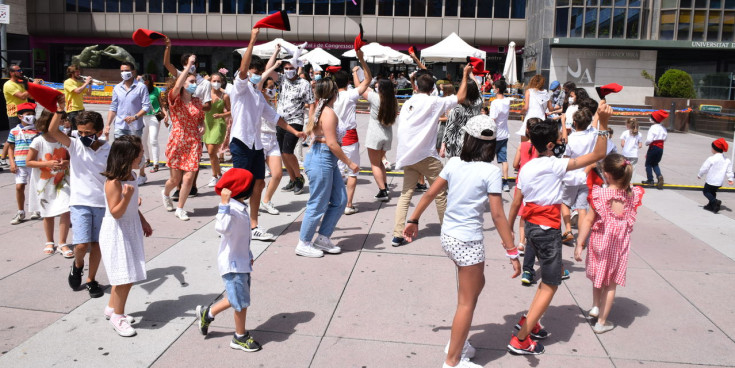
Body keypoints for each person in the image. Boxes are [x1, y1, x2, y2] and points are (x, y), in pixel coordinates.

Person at [403, 115, 520, 368]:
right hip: (468, 242)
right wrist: (512, 251)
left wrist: (413, 220)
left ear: (467, 139)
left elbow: (431, 193)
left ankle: (458, 339)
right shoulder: (491, 171)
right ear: (491, 145)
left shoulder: (454, 162)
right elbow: (498, 215)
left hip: (450, 238)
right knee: (467, 302)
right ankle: (453, 360)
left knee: (475, 288)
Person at [506, 102, 612, 355]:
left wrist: (509, 231)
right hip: (547, 229)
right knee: (551, 283)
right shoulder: (554, 165)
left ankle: (529, 320)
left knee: (545, 283)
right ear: (551, 145)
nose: (563, 139)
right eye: (559, 137)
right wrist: (604, 125)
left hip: (532, 227)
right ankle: (521, 340)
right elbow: (597, 156)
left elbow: (517, 201)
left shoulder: (528, 166)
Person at [229, 28, 306, 241]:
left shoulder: (257, 95)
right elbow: (244, 69)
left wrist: (295, 131)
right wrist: (252, 39)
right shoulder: (240, 89)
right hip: (241, 143)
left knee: (259, 184)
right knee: (241, 186)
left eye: (258, 72)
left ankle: (253, 225)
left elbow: (276, 118)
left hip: (256, 145)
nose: (255, 75)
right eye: (253, 72)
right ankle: (233, 222)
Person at [390, 64, 472, 247]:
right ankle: (447, 231)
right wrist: (465, 74)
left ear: (416, 87)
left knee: (405, 194)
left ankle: (397, 234)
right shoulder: (434, 102)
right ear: (433, 89)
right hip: (426, 156)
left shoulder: (408, 103)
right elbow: (461, 97)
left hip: (407, 156)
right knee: (440, 193)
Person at [573, 154, 644, 334]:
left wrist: (580, 243)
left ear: (606, 174)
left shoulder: (600, 194)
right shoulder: (632, 195)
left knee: (598, 276)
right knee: (611, 284)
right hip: (618, 246)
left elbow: (588, 220)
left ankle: (596, 307)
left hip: (599, 242)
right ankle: (602, 322)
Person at [195, 168, 262, 352]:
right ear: (243, 190)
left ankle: (207, 313)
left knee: (237, 298)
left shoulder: (239, 207)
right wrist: (223, 204)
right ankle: (239, 337)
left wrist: (248, 255)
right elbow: (222, 228)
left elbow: (242, 237)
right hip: (232, 265)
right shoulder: (230, 209)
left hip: (241, 261)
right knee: (241, 302)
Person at [48, 105, 110, 299]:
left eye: (88, 132)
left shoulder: (108, 148)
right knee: (81, 245)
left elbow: (115, 174)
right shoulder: (75, 144)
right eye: (80, 132)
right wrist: (59, 112)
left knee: (97, 244)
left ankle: (91, 279)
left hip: (102, 203)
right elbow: (52, 131)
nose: (83, 136)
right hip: (80, 202)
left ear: (99, 132)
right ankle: (77, 265)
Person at [295, 78, 359, 258]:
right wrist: (349, 162)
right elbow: (331, 143)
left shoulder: (320, 109)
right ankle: (304, 242)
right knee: (318, 203)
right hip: (322, 157)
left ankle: (322, 238)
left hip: (324, 158)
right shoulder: (328, 112)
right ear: (334, 93)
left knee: (339, 200)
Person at [99, 135, 153, 337]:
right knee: (125, 276)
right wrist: (128, 196)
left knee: (125, 273)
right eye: (139, 152)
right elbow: (115, 212)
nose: (142, 155)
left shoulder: (131, 175)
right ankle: (118, 316)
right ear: (129, 155)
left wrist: (143, 220)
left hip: (129, 228)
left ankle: (112, 307)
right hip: (116, 231)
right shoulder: (113, 182)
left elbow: (130, 209)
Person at [161, 55, 206, 221]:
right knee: (175, 179)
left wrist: (202, 125)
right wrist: (188, 66)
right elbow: (177, 84)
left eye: (195, 82)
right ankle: (165, 193)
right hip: (178, 140)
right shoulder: (175, 99)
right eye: (191, 82)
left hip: (193, 141)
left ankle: (180, 208)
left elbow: (200, 118)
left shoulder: (197, 102)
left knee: (189, 176)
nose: (194, 85)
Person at [267, 48, 315, 196]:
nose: (288, 70)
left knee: (288, 151)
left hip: (295, 120)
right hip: (280, 121)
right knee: (282, 153)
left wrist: (310, 124)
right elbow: (268, 70)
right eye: (286, 68)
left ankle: (299, 178)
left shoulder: (304, 84)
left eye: (291, 68)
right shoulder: (282, 79)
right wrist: (275, 53)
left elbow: (312, 103)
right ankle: (293, 179)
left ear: (297, 67)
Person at [25, 110, 72, 257]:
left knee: (66, 208)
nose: (63, 122)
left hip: (62, 180)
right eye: (60, 119)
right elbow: (29, 161)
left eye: (63, 119)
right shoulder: (38, 141)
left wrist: (66, 162)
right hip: (44, 182)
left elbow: (72, 157)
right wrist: (47, 163)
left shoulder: (64, 139)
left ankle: (62, 242)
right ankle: (49, 241)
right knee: (48, 212)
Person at [333, 52, 371, 215]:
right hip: (349, 138)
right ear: (347, 82)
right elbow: (367, 81)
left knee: (337, 173)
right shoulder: (350, 95)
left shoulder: (330, 96)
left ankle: (336, 202)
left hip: (334, 139)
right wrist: (361, 61)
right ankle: (348, 204)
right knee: (352, 172)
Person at [104, 61, 151, 185]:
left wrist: (135, 117)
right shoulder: (117, 88)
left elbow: (146, 106)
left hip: (135, 126)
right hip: (120, 125)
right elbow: (113, 107)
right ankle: (122, 174)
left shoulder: (141, 87)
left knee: (136, 151)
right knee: (119, 150)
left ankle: (141, 174)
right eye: (122, 71)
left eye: (127, 70)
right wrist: (108, 124)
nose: (124, 73)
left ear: (133, 72)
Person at [560, 108, 597, 245]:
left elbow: (566, 158)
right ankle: (582, 238)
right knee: (582, 208)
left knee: (565, 203)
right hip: (585, 176)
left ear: (574, 123)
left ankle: (568, 230)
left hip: (571, 176)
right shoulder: (592, 137)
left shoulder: (571, 139)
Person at [512, 118, 542, 285]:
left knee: (521, 213)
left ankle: (521, 242)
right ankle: (526, 242)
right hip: (535, 182)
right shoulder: (540, 148)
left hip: (521, 181)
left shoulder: (522, 146)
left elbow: (516, 163)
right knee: (530, 212)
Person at [362, 77, 398, 202]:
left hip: (375, 135)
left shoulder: (375, 97)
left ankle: (382, 191)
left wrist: (356, 73)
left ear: (380, 88)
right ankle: (385, 186)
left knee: (374, 164)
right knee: (381, 162)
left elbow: (360, 88)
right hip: (387, 135)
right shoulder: (393, 100)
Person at [8, 102, 41, 225]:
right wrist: (12, 162)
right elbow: (11, 147)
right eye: (28, 114)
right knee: (19, 187)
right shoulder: (14, 131)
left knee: (36, 187)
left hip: (34, 164)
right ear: (20, 116)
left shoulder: (38, 130)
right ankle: (21, 211)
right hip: (20, 165)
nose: (31, 117)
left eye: (33, 114)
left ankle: (36, 209)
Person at [259, 73, 283, 215]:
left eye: (274, 87)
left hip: (272, 139)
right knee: (257, 178)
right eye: (270, 87)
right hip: (259, 139)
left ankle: (266, 200)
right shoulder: (257, 101)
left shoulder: (273, 103)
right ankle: (248, 201)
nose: (272, 90)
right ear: (262, 89)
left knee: (277, 174)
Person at [441, 78, 482, 158]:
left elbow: (449, 128)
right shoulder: (478, 104)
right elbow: (478, 90)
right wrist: (470, 74)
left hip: (458, 146)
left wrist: (443, 145)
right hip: (474, 142)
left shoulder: (456, 109)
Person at [203, 72, 231, 187]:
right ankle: (219, 174)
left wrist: (221, 115)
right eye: (214, 81)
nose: (216, 83)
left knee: (211, 152)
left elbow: (231, 111)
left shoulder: (225, 96)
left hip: (218, 125)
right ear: (210, 82)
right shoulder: (206, 94)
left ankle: (214, 176)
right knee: (212, 154)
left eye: (219, 81)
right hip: (206, 124)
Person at [2, 64, 30, 170]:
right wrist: (31, 89)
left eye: (21, 70)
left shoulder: (20, 84)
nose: (21, 72)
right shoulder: (9, 85)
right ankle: (4, 159)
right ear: (12, 73)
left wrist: (33, 86)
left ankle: (3, 158)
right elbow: (22, 96)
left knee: (13, 137)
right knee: (12, 138)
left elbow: (29, 96)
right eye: (19, 70)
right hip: (15, 113)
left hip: (25, 112)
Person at [698, 138, 734, 213]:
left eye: (712, 147)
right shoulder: (727, 160)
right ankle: (711, 206)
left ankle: (715, 202)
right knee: (713, 192)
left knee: (706, 191)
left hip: (711, 180)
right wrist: (730, 179)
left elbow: (704, 168)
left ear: (714, 149)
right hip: (719, 182)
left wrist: (700, 174)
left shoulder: (712, 158)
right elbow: (729, 171)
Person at [140, 74, 168, 173]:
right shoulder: (139, 90)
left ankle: (156, 164)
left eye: (142, 80)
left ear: (148, 81)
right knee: (143, 141)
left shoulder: (157, 91)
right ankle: (147, 159)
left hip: (154, 117)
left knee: (153, 140)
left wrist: (165, 114)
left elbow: (162, 104)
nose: (141, 82)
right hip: (142, 117)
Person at [489, 79, 511, 192]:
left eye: (493, 87)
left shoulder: (494, 103)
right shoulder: (507, 101)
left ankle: (488, 181)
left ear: (497, 89)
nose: (492, 89)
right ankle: (505, 183)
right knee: (504, 159)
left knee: (488, 159)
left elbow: (492, 119)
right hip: (504, 134)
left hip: (495, 135)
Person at [517, 74, 552, 141]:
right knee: (539, 142)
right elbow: (551, 108)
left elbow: (526, 107)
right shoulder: (546, 93)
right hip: (541, 119)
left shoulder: (529, 91)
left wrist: (521, 112)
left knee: (525, 141)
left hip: (530, 118)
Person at [642, 110, 669, 189]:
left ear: (654, 119)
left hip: (653, 147)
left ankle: (650, 180)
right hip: (660, 148)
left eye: (651, 117)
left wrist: (646, 143)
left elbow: (649, 139)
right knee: (655, 164)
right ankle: (659, 176)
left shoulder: (653, 128)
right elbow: (665, 138)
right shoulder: (663, 128)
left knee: (648, 164)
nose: (650, 118)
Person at [63, 65, 93, 129]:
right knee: (75, 129)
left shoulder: (79, 82)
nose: (79, 73)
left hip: (81, 108)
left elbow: (89, 93)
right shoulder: (68, 82)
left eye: (79, 71)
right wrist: (86, 83)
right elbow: (77, 91)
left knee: (82, 128)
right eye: (77, 72)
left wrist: (90, 85)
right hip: (72, 109)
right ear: (71, 73)